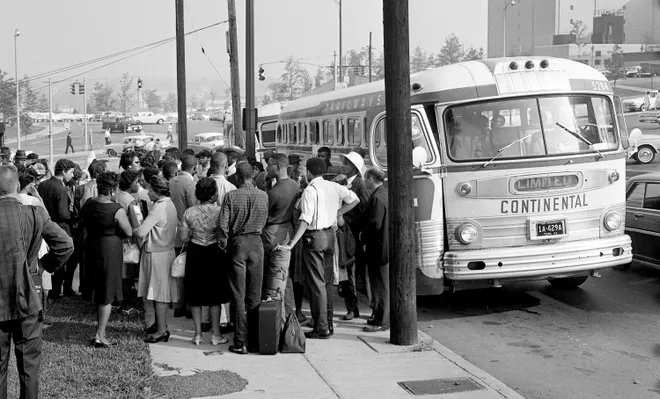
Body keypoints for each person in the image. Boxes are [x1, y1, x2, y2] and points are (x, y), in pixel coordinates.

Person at [0, 165, 73, 399]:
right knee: (29, 367)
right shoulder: (35, 212)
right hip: (28, 293)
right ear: (17, 186)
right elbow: (65, 244)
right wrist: (43, 266)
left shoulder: (34, 211)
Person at [280, 158, 359, 339]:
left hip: (314, 238)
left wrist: (292, 243)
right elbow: (354, 199)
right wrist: (336, 213)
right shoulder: (333, 186)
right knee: (327, 282)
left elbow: (305, 219)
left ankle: (321, 327)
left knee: (317, 285)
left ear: (308, 172)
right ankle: (328, 323)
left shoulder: (310, 190)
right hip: (330, 236)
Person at [217, 162, 268, 354]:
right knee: (255, 294)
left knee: (238, 294)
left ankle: (240, 341)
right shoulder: (263, 196)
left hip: (238, 243)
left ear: (237, 177)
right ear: (252, 176)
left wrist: (223, 244)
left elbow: (223, 226)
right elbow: (264, 219)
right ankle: (255, 340)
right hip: (256, 242)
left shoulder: (231, 196)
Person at [81, 172, 133, 347]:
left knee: (98, 287)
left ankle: (99, 332)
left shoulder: (88, 204)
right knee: (107, 292)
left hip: (92, 245)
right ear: (112, 189)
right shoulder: (116, 209)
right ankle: (100, 334)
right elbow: (128, 231)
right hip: (109, 248)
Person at [179, 178, 229, 346]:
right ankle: (216, 334)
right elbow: (224, 234)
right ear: (213, 194)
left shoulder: (188, 213)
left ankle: (198, 334)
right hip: (215, 251)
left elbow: (183, 237)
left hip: (195, 251)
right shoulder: (220, 211)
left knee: (195, 294)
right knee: (215, 295)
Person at [134, 176, 178, 342]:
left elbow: (141, 232)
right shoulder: (169, 204)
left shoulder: (158, 208)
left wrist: (133, 226)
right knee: (159, 292)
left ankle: (161, 330)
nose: (148, 192)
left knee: (159, 294)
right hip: (166, 251)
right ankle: (160, 325)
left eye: (150, 189)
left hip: (157, 254)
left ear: (157, 191)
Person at [262, 153, 300, 321]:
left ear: (278, 167)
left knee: (272, 275)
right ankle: (290, 312)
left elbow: (264, 215)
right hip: (287, 230)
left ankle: (276, 315)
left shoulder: (273, 193)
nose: (267, 168)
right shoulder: (294, 185)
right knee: (285, 274)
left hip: (272, 232)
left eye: (269, 165)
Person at [38, 158, 77, 300]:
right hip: (59, 227)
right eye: (71, 172)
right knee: (61, 260)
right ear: (64, 171)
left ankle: (47, 288)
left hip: (44, 226)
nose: (72, 175)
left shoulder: (43, 185)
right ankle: (55, 292)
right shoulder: (60, 188)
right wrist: (74, 216)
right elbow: (63, 213)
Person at [338, 151, 370, 321]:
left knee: (351, 271)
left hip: (353, 234)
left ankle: (355, 307)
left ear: (355, 169)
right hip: (344, 234)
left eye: (347, 164)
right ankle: (351, 306)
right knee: (345, 271)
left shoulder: (360, 185)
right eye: (344, 162)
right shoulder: (342, 182)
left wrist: (349, 219)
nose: (344, 165)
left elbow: (366, 208)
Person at [169, 154, 198, 319]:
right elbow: (192, 209)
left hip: (171, 229)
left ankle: (177, 303)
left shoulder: (171, 181)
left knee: (175, 269)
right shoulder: (190, 184)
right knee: (185, 269)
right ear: (193, 168)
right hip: (184, 231)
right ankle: (185, 304)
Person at [361, 167, 389, 332]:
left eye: (366, 179)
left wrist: (363, 236)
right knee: (381, 284)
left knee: (379, 285)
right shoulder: (384, 194)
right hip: (383, 245)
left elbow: (375, 223)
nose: (365, 182)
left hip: (377, 247)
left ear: (371, 178)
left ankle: (382, 320)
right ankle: (379, 316)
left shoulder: (377, 198)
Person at [74, 160, 107, 299]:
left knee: (85, 261)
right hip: (100, 230)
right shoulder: (104, 189)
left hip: (85, 229)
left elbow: (76, 209)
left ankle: (85, 289)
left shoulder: (81, 188)